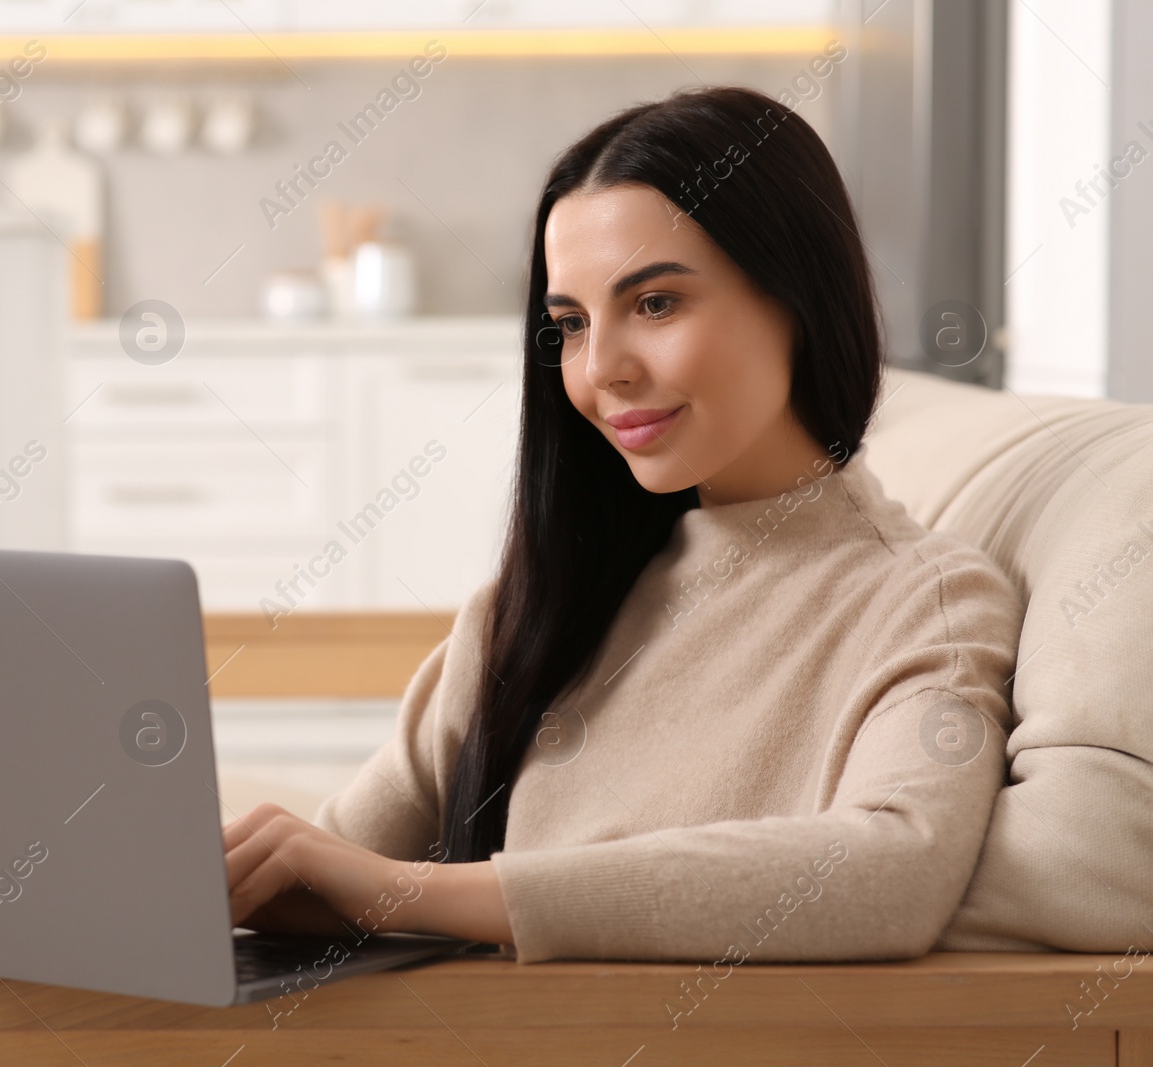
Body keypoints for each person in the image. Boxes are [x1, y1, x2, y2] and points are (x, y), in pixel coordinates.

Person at [221, 86, 1025, 965]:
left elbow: (892, 873)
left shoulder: (926, 598)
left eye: (655, 305)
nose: (601, 369)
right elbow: (326, 868)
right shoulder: (529, 608)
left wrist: (420, 892)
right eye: (570, 324)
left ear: (798, 297)